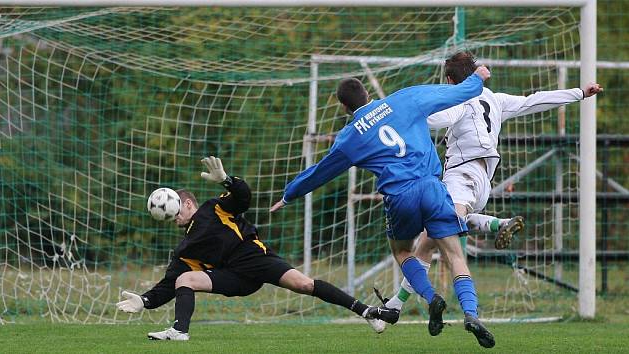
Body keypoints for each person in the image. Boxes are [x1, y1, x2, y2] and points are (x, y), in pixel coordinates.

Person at [370, 51, 603, 334]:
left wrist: (396, 113)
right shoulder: (494, 97)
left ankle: (494, 227)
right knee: (432, 239)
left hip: (461, 176)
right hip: (484, 182)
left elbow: (434, 119)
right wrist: (579, 92)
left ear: (450, 80)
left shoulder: (457, 100)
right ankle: (396, 304)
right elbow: (534, 100)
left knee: (433, 239)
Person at [271, 66, 496, 348]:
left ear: (344, 107)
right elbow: (454, 94)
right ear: (367, 92)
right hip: (431, 186)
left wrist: (289, 194)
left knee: (402, 250)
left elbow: (320, 171)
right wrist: (477, 78)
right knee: (454, 254)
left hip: (400, 195)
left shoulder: (350, 137)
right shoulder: (404, 99)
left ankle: (430, 297)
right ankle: (471, 312)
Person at [116, 156, 397, 341]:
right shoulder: (185, 248)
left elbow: (243, 197)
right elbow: (168, 285)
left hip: (253, 257)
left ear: (187, 203)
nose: (173, 217)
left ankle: (367, 312)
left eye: (175, 209)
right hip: (233, 277)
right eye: (168, 215)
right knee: (183, 278)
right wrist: (144, 301)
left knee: (304, 284)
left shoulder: (214, 208)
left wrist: (227, 180)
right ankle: (179, 330)